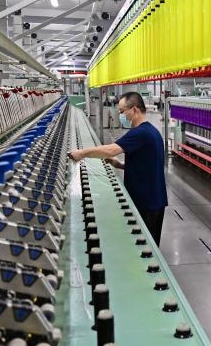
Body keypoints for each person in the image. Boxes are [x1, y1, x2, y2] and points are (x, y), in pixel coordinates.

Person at [69, 92, 168, 244]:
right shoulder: (152, 131)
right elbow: (149, 164)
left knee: (146, 245)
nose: (120, 115)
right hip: (154, 200)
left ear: (134, 110)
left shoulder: (139, 133)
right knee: (150, 242)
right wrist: (120, 165)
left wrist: (81, 153)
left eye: (122, 111)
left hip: (147, 203)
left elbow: (111, 150)